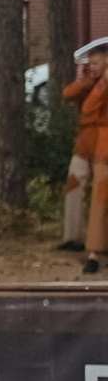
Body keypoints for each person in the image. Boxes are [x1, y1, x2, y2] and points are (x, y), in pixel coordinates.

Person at [61, 38, 108, 268]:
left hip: (103, 141)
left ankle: (95, 247)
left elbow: (90, 109)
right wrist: (86, 81)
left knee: (101, 192)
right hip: (86, 140)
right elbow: (68, 93)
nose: (92, 67)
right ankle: (73, 236)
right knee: (74, 181)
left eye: (96, 63)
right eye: (90, 62)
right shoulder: (90, 81)